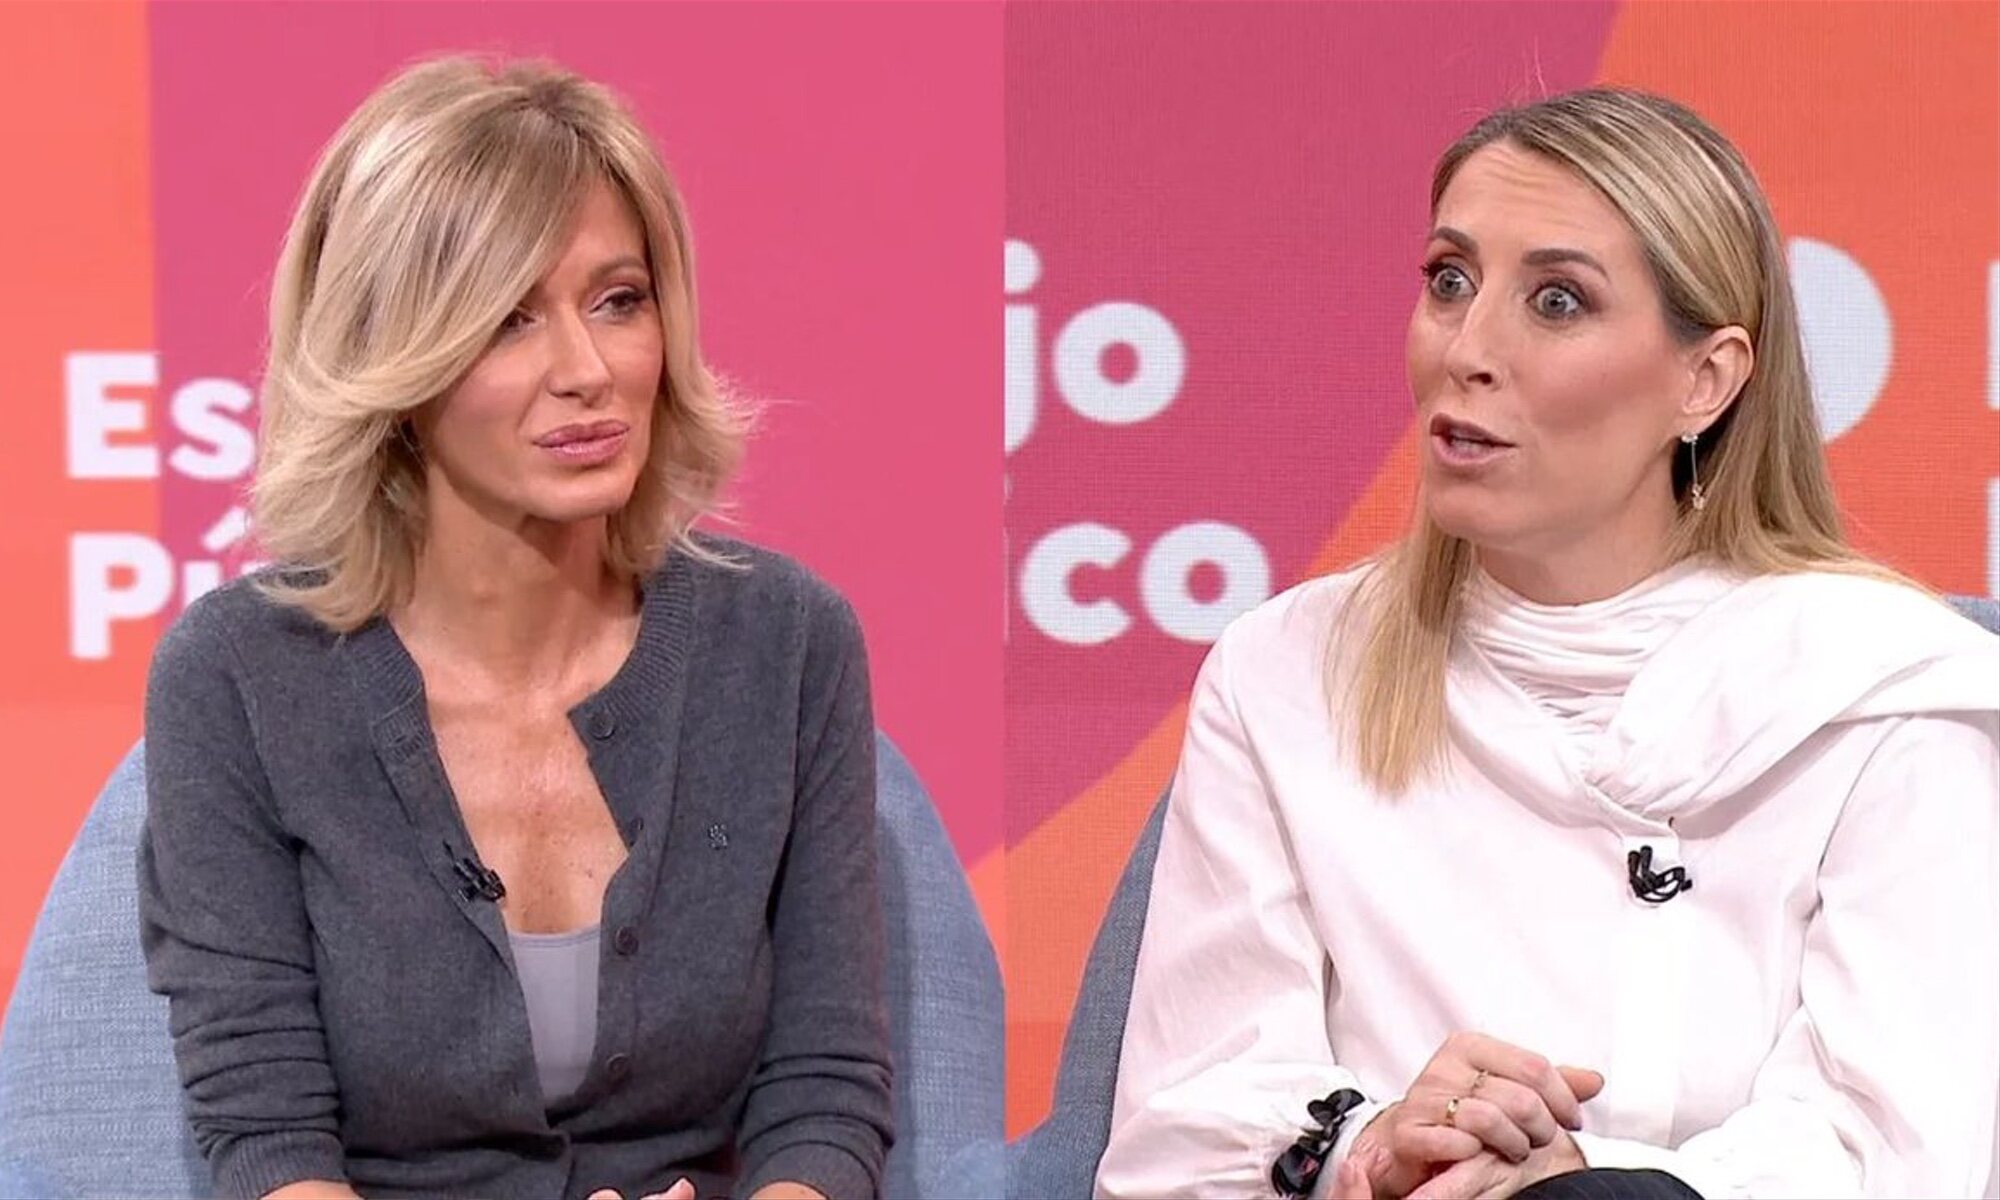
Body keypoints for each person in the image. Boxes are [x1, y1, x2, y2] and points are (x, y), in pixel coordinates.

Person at [1096, 87, 1999, 1200]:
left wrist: (1574, 1178)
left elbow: (1891, 1157)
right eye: (1448, 281)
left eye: (1557, 301)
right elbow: (1176, 1148)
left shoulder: (1890, 699)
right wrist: (1371, 1148)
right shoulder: (1288, 671)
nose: (1467, 349)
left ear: (1705, 381)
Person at [137, 56, 891, 1200]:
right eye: (506, 321)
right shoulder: (238, 678)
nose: (587, 371)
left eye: (618, 301)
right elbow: (265, 1134)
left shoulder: (785, 646)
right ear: (390, 361)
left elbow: (823, 1091)